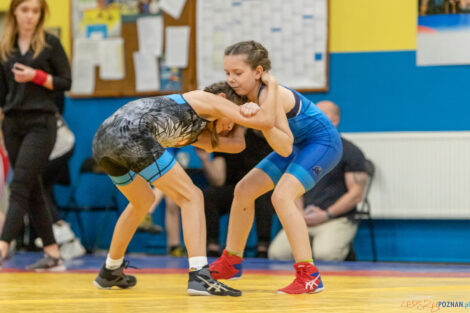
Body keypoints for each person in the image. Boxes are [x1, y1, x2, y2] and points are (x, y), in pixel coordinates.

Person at [91, 79, 279, 296]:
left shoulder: (197, 133)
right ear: (223, 100)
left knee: (143, 201)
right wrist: (260, 99)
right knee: (192, 196)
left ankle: (110, 270)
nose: (231, 126)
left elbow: (238, 146)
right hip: (132, 132)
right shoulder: (208, 100)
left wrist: (242, 121)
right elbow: (265, 120)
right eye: (233, 120)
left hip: (104, 140)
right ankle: (200, 276)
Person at [209, 40, 343, 294]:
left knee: (282, 196)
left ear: (258, 72)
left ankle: (309, 275)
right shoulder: (241, 95)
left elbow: (283, 147)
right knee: (243, 190)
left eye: (238, 73)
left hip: (321, 143)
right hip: (298, 144)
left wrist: (262, 119)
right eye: (227, 73)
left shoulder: (272, 94)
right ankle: (231, 261)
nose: (231, 79)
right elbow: (238, 144)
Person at [0, 0, 71, 270]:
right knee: (33, 189)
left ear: (41, 15)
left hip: (42, 123)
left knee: (19, 185)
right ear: (14, 13)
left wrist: (36, 76)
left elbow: (66, 82)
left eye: (35, 11)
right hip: (12, 125)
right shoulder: (4, 49)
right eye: (25, 10)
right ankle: (53, 255)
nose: (30, 16)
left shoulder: (51, 44)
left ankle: (3, 245)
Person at [268, 101, 368, 261]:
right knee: (277, 254)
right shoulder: (302, 150)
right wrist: (298, 214)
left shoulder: (351, 151)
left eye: (320, 116)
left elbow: (356, 194)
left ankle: (343, 249)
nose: (313, 120)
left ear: (334, 121)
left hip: (335, 218)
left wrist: (326, 214)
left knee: (326, 255)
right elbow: (291, 186)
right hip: (304, 216)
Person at [197, 130, 274, 258]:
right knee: (210, 195)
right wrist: (205, 160)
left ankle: (262, 247)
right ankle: (213, 246)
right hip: (234, 189)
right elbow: (218, 180)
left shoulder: (260, 136)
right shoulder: (226, 140)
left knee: (263, 196)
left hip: (259, 188)